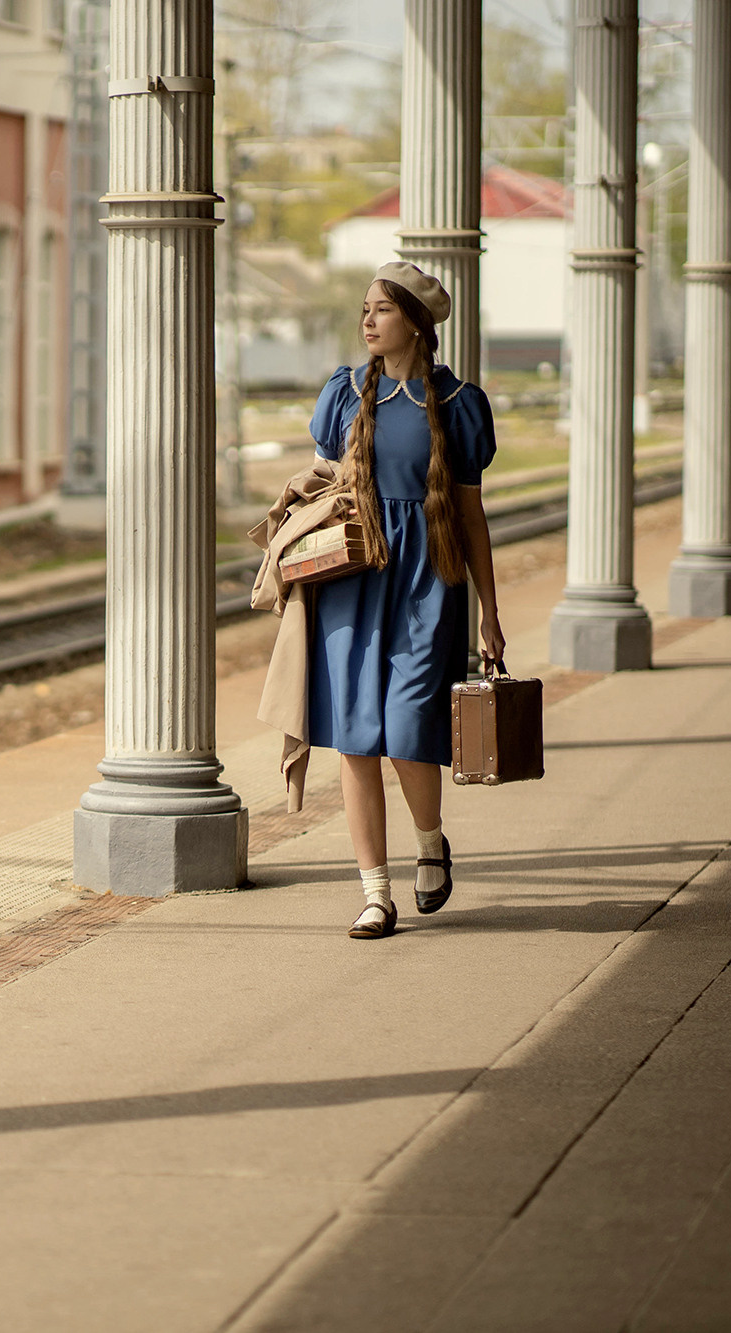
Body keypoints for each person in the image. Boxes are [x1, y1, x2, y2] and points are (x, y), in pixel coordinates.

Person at [306, 262, 504, 940]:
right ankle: (374, 893)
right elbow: (321, 485)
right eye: (364, 309)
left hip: (429, 579)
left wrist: (490, 612)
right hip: (354, 578)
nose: (366, 320)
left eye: (380, 311)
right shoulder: (343, 394)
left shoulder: (457, 406)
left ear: (415, 324)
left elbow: (474, 518)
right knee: (356, 735)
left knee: (405, 721)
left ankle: (430, 843)